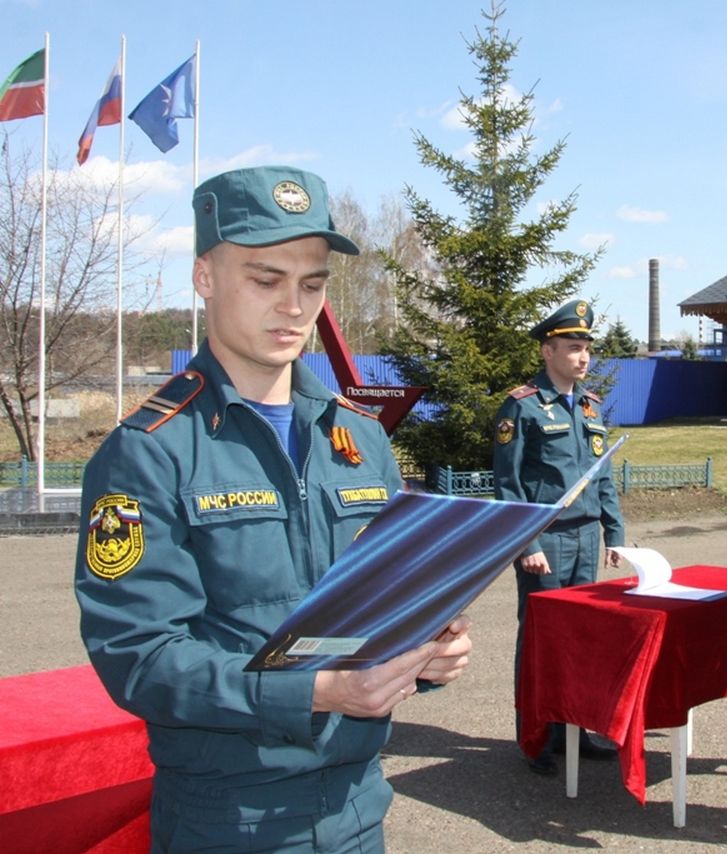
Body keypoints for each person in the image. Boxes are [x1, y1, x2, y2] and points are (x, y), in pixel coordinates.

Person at [75, 165, 472, 851]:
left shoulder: (358, 437)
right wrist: (319, 692)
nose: (295, 306)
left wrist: (424, 650)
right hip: (228, 819)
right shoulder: (150, 450)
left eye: (312, 284)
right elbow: (139, 657)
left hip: (358, 810)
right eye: (266, 279)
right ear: (205, 278)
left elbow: (375, 611)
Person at [493, 299, 625, 776]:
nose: (583, 357)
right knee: (542, 640)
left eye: (586, 348)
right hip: (545, 542)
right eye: (572, 347)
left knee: (581, 638)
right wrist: (526, 545)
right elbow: (508, 486)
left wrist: (615, 532)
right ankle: (535, 738)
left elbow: (601, 475)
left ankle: (574, 730)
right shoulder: (523, 406)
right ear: (548, 351)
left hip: (586, 538)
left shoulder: (588, 406)